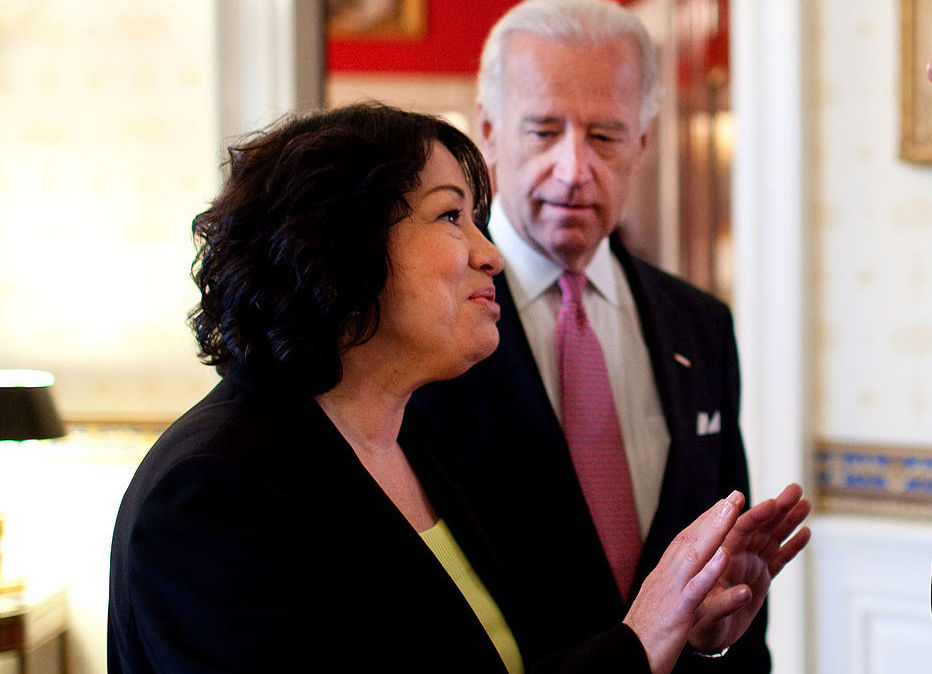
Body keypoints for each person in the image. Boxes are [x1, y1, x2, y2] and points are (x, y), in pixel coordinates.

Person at [108, 102, 809, 673]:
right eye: (451, 217)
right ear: (339, 244)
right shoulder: (211, 492)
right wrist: (634, 646)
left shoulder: (414, 441)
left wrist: (678, 628)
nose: (491, 254)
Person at [412, 1, 789, 670]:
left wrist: (718, 636)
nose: (574, 169)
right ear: (490, 132)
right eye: (544, 130)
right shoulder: (423, 327)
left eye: (606, 136)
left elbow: (723, 571)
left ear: (644, 143)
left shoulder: (700, 324)